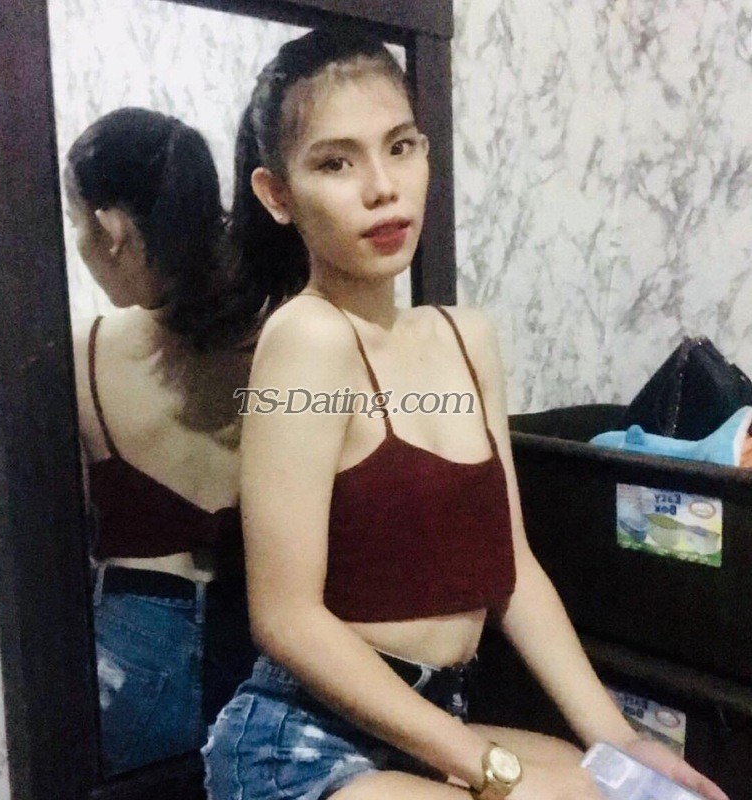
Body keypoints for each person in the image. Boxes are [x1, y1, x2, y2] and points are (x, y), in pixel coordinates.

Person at [201, 28, 729, 800]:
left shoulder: (464, 336)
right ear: (276, 194)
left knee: (641, 793)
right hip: (306, 742)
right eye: (336, 163)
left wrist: (618, 739)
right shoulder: (306, 338)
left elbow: (510, 569)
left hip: (426, 724)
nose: (382, 188)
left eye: (400, 147)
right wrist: (488, 770)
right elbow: (285, 620)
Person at [66, 107, 258, 776]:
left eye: (76, 225)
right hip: (265, 639)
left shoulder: (85, 355)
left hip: (134, 651)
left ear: (112, 230)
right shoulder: (287, 337)